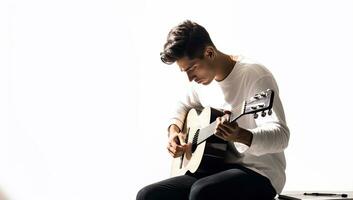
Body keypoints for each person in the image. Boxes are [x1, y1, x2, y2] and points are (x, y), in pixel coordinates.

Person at [136, 20, 290, 200]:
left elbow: (281, 136)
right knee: (148, 195)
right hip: (213, 169)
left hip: (259, 172)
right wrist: (174, 132)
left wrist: (240, 135)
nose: (190, 78)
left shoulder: (254, 75)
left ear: (209, 53)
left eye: (192, 68)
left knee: (202, 192)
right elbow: (182, 106)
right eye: (184, 71)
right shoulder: (202, 82)